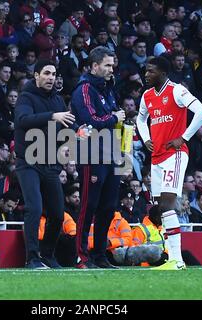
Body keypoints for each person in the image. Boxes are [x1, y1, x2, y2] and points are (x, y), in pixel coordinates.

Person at [136, 56, 202, 270]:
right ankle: (173, 259)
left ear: (163, 73)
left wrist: (184, 137)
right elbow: (140, 119)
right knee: (160, 208)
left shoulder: (177, 90)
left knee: (168, 205)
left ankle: (177, 260)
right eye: (146, 71)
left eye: (151, 71)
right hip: (156, 157)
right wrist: (146, 138)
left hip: (174, 155)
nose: (146, 75)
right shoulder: (147, 95)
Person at [14, 59, 81, 270]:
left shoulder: (58, 100)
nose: (51, 77)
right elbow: (23, 120)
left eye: (53, 74)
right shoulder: (26, 97)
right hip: (29, 162)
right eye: (47, 73)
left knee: (57, 213)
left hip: (51, 163)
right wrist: (53, 116)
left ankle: (48, 256)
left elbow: (65, 128)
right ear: (36, 75)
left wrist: (79, 132)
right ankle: (31, 259)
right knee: (34, 208)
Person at [70, 46, 125, 269]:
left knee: (108, 206)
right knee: (88, 205)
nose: (112, 69)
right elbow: (90, 121)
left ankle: (100, 255)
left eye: (112, 65)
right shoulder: (84, 90)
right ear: (94, 66)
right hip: (92, 154)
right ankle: (81, 256)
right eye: (107, 65)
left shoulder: (106, 89)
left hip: (111, 154)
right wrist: (113, 117)